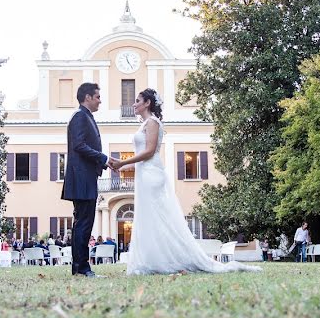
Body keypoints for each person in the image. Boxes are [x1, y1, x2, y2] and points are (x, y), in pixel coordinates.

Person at [115, 88, 260, 275]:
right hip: (145, 174)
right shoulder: (144, 124)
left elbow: (150, 152)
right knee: (148, 219)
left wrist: (123, 162)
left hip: (152, 176)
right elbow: (142, 158)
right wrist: (121, 166)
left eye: (137, 100)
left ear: (147, 103)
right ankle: (151, 260)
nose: (133, 104)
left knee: (156, 218)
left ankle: (163, 260)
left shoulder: (152, 122)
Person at [61, 82, 119, 278]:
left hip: (86, 177)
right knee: (84, 223)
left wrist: (102, 161)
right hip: (81, 178)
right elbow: (78, 145)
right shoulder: (79, 117)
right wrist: (103, 158)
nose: (100, 101)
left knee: (83, 223)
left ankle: (80, 268)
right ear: (87, 97)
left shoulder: (85, 117)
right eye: (97, 97)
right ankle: (82, 269)